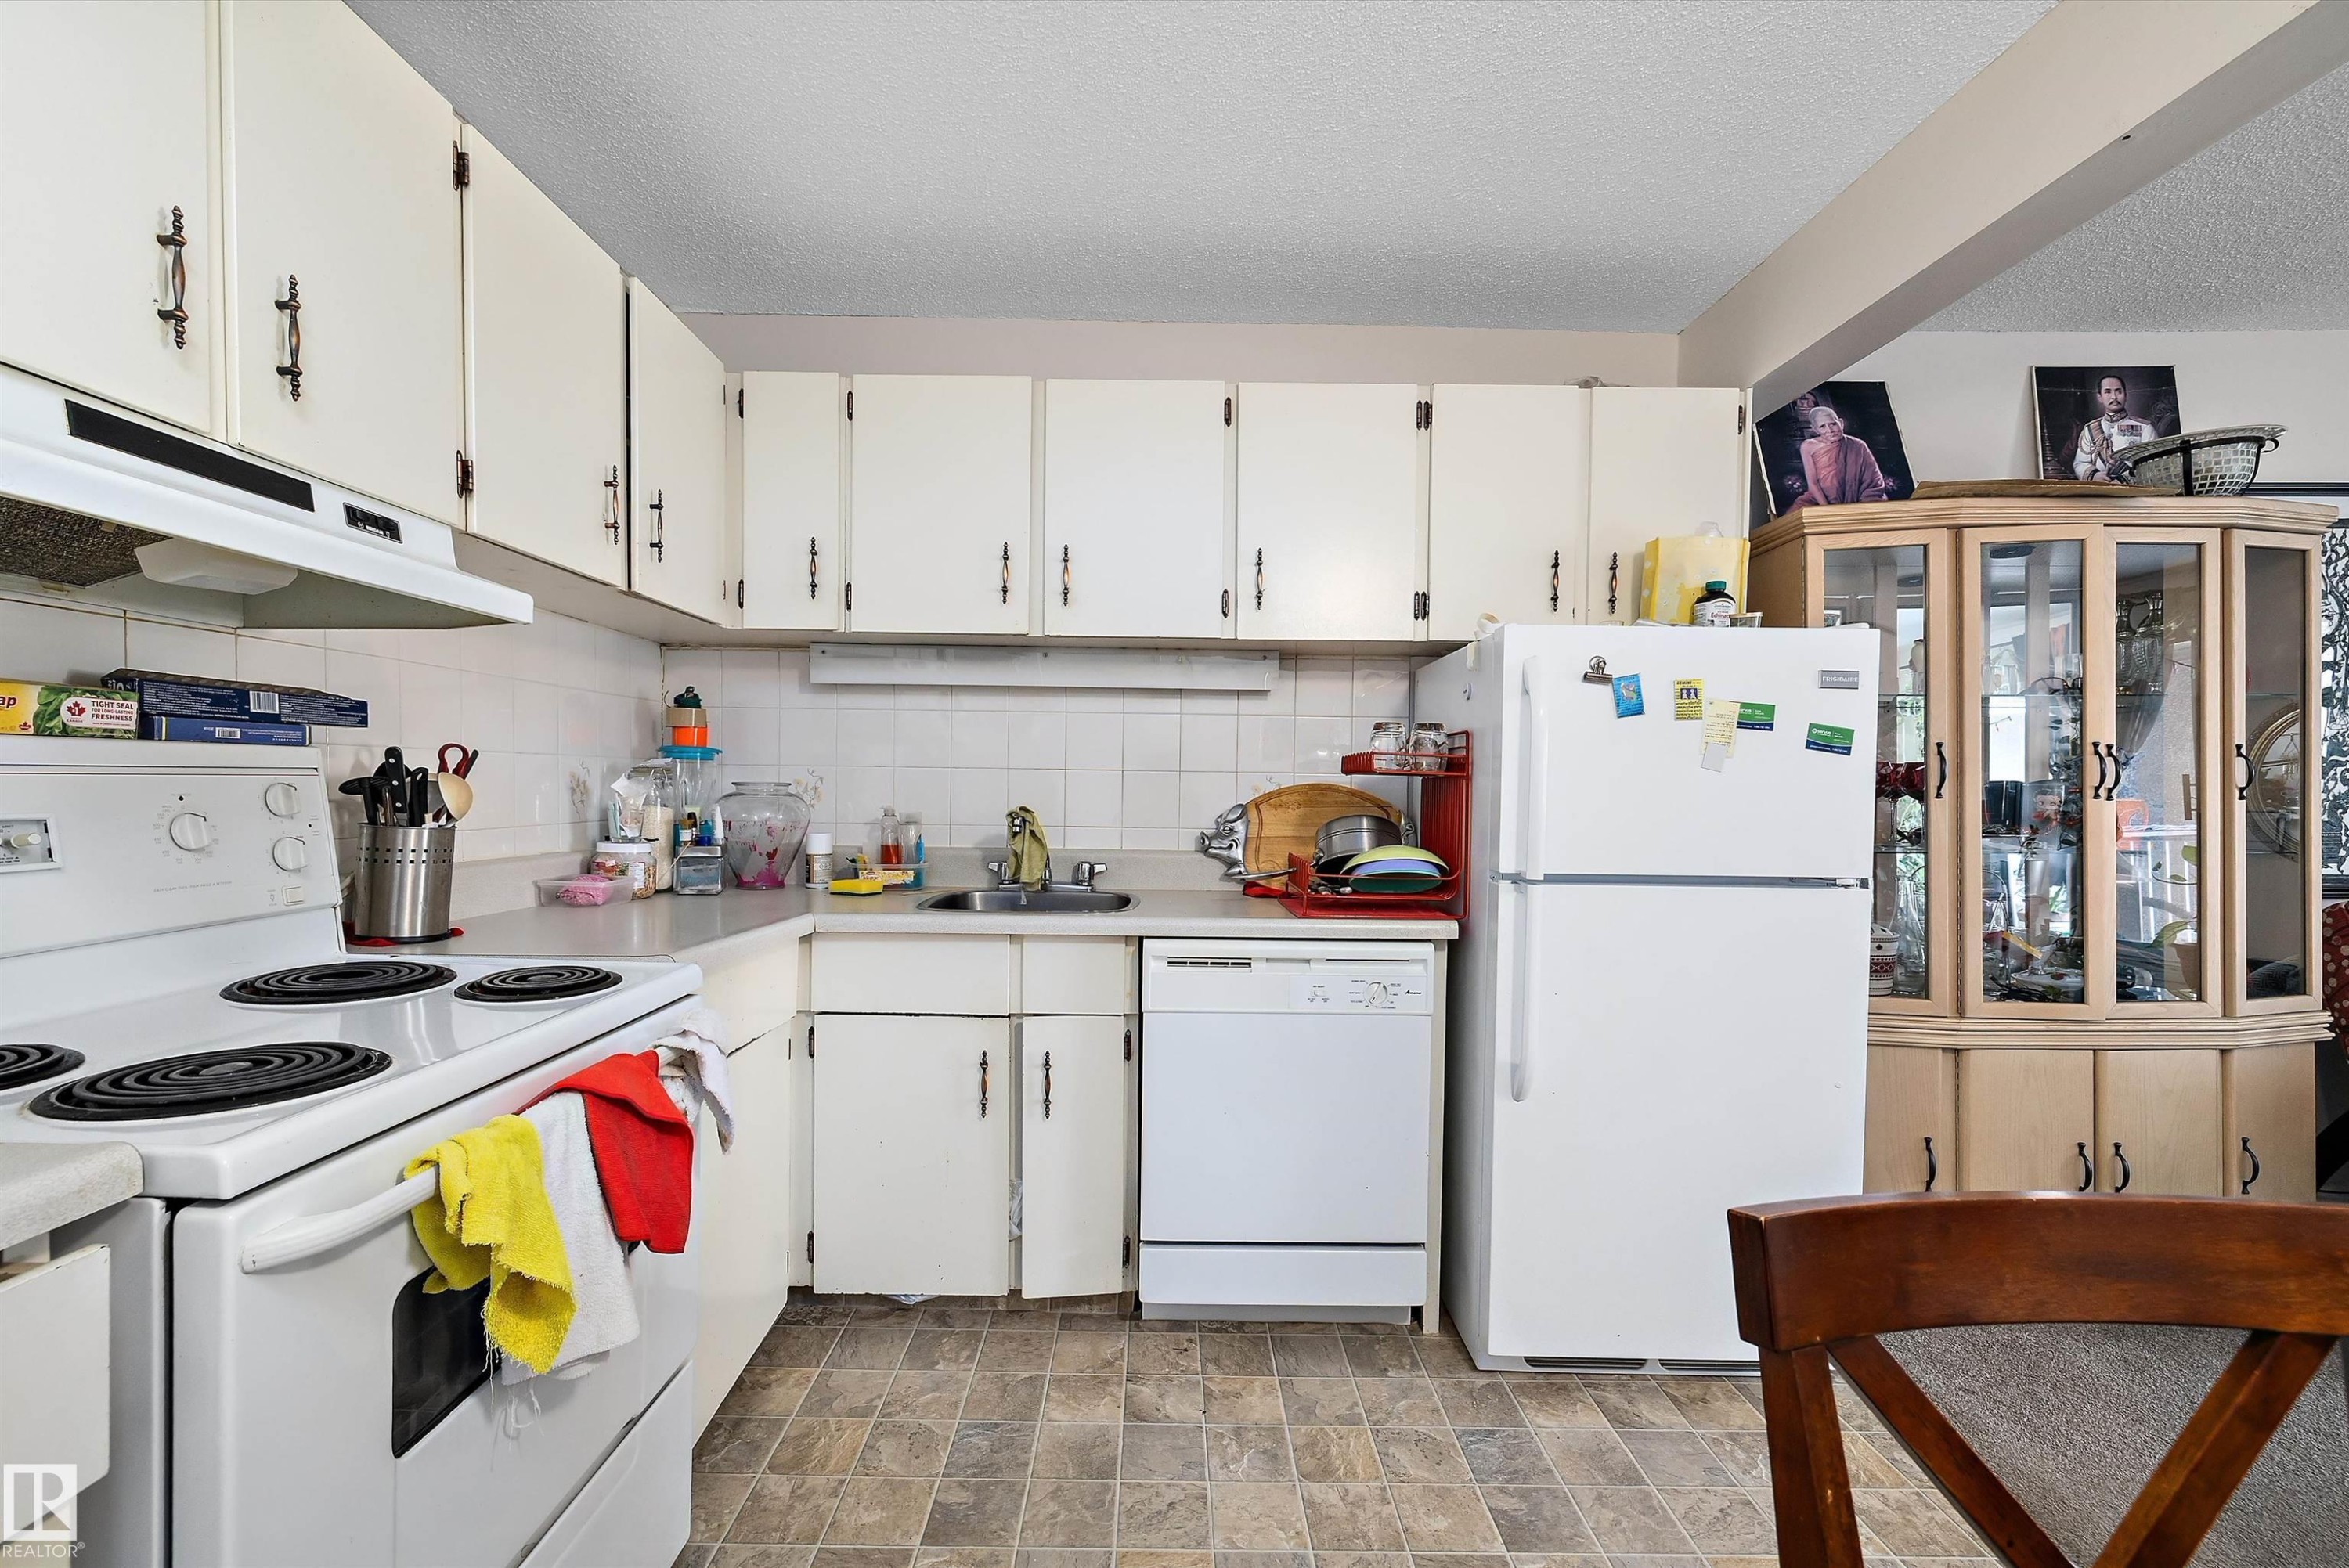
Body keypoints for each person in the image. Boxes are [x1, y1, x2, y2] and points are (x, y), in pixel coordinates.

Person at [1791, 403, 1890, 506]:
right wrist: (1826, 507)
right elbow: (1812, 483)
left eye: (1833, 424)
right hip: (1818, 499)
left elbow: (1873, 480)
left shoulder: (1857, 445)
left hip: (1854, 499)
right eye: (1822, 427)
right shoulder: (1808, 446)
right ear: (1815, 429)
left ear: (1841, 423)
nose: (1830, 431)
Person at [2072, 373, 2156, 481]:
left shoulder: (2145, 428)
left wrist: (2123, 480)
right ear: (2100, 397)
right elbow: (2080, 463)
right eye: (2108, 392)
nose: (2114, 397)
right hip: (2099, 490)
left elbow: (2152, 464)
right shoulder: (2090, 429)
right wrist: (2095, 476)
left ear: (2126, 395)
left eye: (2118, 391)